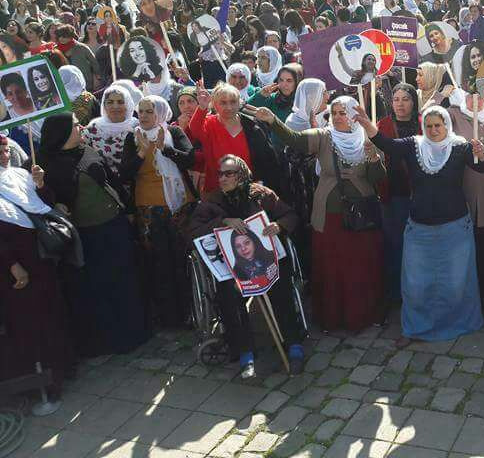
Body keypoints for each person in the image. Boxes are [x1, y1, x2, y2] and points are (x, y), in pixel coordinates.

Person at [356, 103, 484, 342]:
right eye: (429, 126)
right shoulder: (413, 145)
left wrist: (482, 154)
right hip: (420, 228)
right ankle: (419, 326)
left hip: (455, 227)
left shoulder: (460, 146)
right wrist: (368, 126)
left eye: (438, 125)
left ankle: (457, 323)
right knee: (416, 284)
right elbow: (387, 145)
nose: (433, 130)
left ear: (446, 125)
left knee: (456, 282)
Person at [256, 97, 386, 332]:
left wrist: (374, 158)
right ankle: (332, 318)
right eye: (334, 113)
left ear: (354, 115)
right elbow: (295, 139)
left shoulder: (368, 138)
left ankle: (362, 315)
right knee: (332, 267)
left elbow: (378, 178)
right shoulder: (324, 136)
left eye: (342, 113)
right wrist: (273, 121)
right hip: (328, 217)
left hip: (361, 218)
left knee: (359, 266)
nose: (337, 117)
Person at [39, 113, 149, 357]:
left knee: (125, 278)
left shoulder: (88, 151)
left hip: (114, 226)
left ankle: (135, 332)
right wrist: (52, 201)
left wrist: (129, 210)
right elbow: (41, 201)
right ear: (62, 132)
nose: (81, 127)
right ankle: (111, 339)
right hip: (87, 236)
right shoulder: (45, 165)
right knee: (100, 286)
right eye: (75, 125)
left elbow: (113, 181)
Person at [185, 155, 305, 377]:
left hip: (265, 262)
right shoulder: (212, 202)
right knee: (228, 295)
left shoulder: (262, 195)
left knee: (280, 285)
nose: (222, 178)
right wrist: (221, 223)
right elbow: (192, 232)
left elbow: (289, 215)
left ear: (241, 176)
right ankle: (245, 352)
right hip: (233, 269)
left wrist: (278, 226)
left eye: (228, 174)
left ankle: (294, 344)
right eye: (220, 174)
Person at [119, 96, 196, 329]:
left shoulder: (173, 132)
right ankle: (168, 317)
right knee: (159, 262)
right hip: (149, 210)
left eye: (149, 111)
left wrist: (166, 149)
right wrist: (141, 153)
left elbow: (190, 159)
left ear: (160, 113)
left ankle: (189, 312)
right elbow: (124, 174)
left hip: (178, 207)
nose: (143, 116)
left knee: (181, 259)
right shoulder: (133, 138)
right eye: (140, 111)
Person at [0, 162, 74, 401]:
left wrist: (40, 184)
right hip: (16, 270)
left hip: (39, 259)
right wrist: (11, 264)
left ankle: (62, 369)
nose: (4, 155)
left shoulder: (19, 174)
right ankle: (43, 385)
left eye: (5, 149)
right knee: (30, 324)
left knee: (52, 313)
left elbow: (42, 206)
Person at [447, 88, 484, 311]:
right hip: (464, 191)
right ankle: (469, 298)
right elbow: (431, 121)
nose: (475, 100)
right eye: (471, 95)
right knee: (467, 248)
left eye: (479, 95)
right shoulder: (454, 115)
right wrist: (440, 95)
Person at [188, 83, 281, 195]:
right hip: (218, 191)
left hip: (248, 190)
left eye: (233, 102)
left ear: (239, 103)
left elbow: (266, 159)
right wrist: (202, 107)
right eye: (223, 103)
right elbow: (194, 129)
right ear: (215, 105)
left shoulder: (251, 125)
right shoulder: (209, 123)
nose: (229, 107)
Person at [375, 83, 420, 305]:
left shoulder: (422, 124)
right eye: (396, 99)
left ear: (414, 102)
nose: (400, 104)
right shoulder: (382, 125)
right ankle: (396, 294)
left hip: (419, 195)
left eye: (405, 99)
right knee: (395, 245)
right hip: (392, 195)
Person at [84, 83, 139, 172]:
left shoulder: (136, 126)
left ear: (128, 105)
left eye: (120, 102)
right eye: (110, 102)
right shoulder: (94, 127)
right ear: (104, 105)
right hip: (103, 178)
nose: (115, 106)